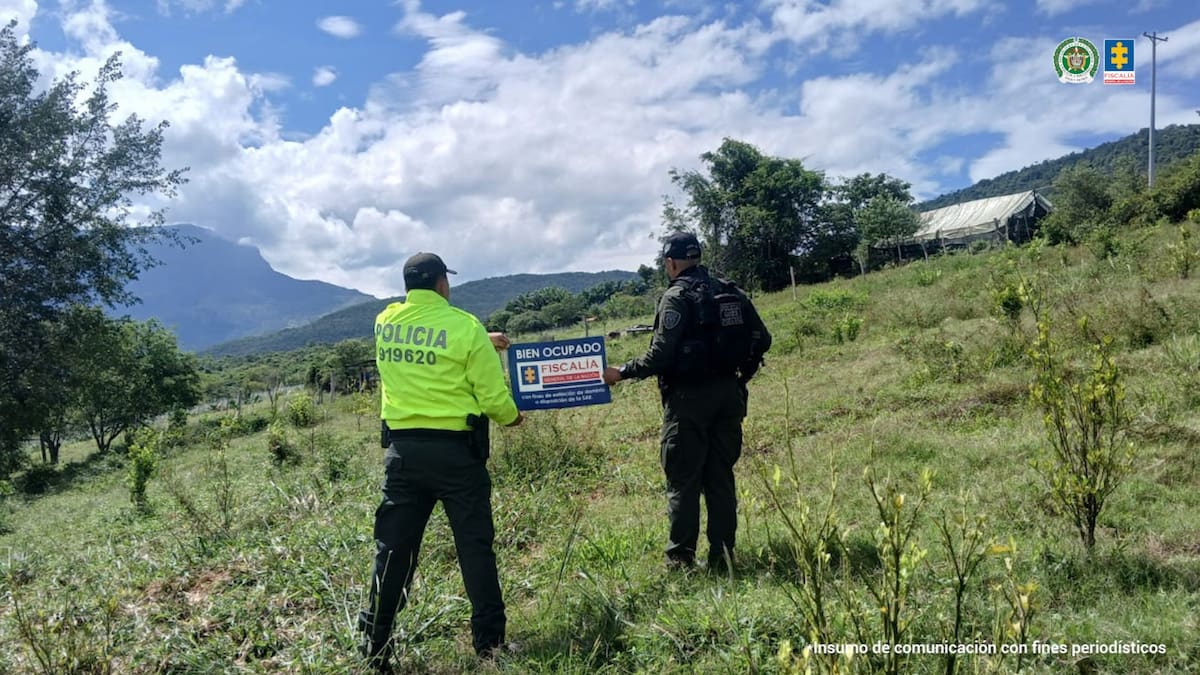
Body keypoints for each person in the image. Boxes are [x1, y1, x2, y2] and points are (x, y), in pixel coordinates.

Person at [359, 252, 524, 671]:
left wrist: (482, 339)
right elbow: (492, 399)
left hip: (403, 457)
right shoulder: (465, 328)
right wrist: (513, 417)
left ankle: (375, 647)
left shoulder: (385, 322)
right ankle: (490, 646)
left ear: (407, 286)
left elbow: (425, 342)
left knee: (393, 553)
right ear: (441, 283)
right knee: (474, 549)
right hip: (457, 457)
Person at [602, 232, 770, 572]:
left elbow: (660, 355)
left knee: (683, 481)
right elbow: (762, 338)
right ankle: (723, 558)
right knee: (720, 479)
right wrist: (740, 379)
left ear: (671, 262)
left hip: (688, 401)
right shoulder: (730, 291)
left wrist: (623, 371)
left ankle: (680, 561)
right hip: (728, 397)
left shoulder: (676, 297)